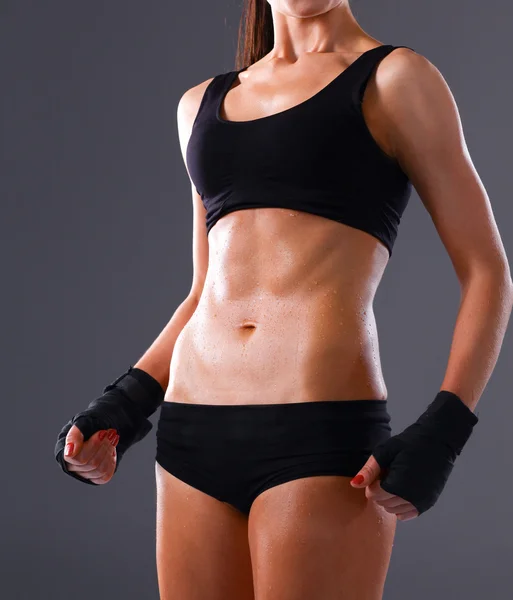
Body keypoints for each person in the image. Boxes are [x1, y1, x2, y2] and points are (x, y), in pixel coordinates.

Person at [54, 1, 513, 599]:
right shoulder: (199, 106)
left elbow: (488, 271)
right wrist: (122, 405)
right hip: (191, 434)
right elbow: (204, 291)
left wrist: (445, 430)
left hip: (318, 435)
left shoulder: (394, 79)